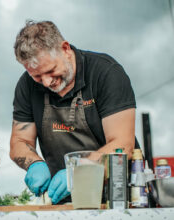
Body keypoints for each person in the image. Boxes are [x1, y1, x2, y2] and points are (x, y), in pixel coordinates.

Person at [10, 20, 138, 204]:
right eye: (37, 76)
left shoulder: (106, 73)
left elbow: (123, 144)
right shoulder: (27, 86)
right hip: (61, 199)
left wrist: (79, 172)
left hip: (115, 197)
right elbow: (20, 141)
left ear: (65, 49)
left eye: (51, 70)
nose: (46, 82)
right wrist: (34, 163)